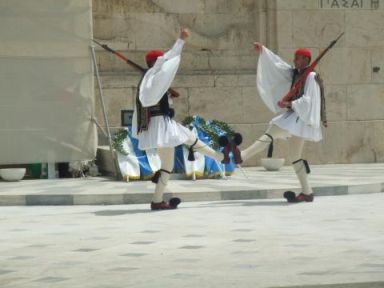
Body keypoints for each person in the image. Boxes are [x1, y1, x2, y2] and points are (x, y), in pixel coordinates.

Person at [132, 28, 241, 210]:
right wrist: (181, 41)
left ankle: (220, 156)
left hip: (158, 126)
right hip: (160, 127)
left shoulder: (149, 80)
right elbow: (169, 59)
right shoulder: (154, 79)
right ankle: (158, 201)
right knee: (169, 163)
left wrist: (167, 96)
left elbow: (157, 100)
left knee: (188, 138)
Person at [238, 42, 327, 203]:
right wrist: (264, 52)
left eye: (298, 58)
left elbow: (309, 101)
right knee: (295, 157)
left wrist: (289, 104)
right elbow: (278, 67)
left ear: (307, 60)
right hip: (296, 117)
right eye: (295, 58)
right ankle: (307, 192)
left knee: (273, 130)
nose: (294, 60)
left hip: (301, 118)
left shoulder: (311, 77)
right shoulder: (296, 74)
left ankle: (242, 156)